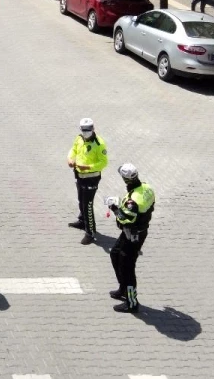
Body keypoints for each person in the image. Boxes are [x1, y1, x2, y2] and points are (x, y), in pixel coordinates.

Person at [104, 163, 155, 314]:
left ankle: (132, 303)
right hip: (134, 231)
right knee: (114, 254)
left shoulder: (133, 202)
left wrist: (113, 207)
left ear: (125, 180)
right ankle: (123, 288)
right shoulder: (146, 187)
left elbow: (125, 218)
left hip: (134, 235)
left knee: (127, 268)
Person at [66, 118, 108, 244]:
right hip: (79, 175)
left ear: (93, 128)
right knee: (81, 200)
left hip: (91, 179)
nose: (85, 132)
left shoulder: (99, 143)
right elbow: (73, 149)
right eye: (83, 130)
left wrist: (88, 167)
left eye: (88, 130)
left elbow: (104, 162)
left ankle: (90, 232)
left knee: (87, 205)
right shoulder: (79, 138)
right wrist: (70, 159)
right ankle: (82, 221)